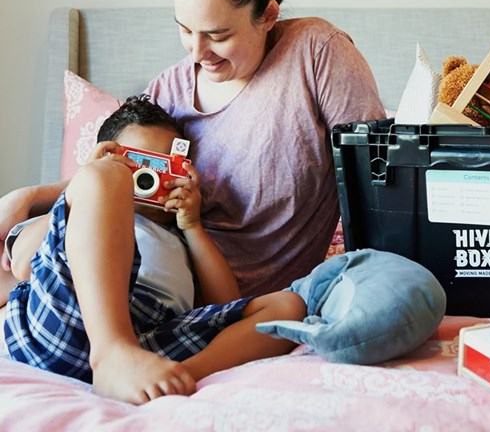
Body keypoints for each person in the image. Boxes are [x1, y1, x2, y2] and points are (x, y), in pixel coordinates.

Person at [0, 0, 385, 303]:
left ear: (269, 15)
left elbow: (377, 178)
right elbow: (121, 180)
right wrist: (30, 195)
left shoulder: (315, 53)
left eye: (218, 35)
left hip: (254, 301)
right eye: (185, 29)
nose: (198, 51)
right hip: (148, 277)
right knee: (32, 251)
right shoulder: (167, 90)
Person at [3, 95, 307, 404]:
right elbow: (23, 264)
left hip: (152, 339)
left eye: (163, 168)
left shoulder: (180, 235)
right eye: (135, 165)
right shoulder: (79, 204)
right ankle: (112, 352)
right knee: (104, 182)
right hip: (67, 316)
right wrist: (85, 181)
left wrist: (192, 225)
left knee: (288, 308)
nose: (148, 178)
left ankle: (174, 374)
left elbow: (226, 303)